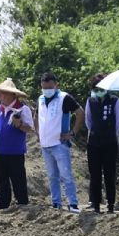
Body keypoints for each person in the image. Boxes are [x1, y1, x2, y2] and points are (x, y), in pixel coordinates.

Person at [36, 72, 81, 213]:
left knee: (65, 174)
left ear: (56, 85)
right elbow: (36, 116)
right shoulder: (41, 99)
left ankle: (72, 203)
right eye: (44, 88)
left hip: (59, 143)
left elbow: (80, 113)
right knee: (51, 176)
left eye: (49, 87)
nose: (47, 90)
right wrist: (38, 133)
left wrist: (72, 133)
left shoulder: (64, 98)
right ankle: (56, 202)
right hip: (45, 144)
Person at [0, 78, 35, 209]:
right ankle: (3, 203)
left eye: (2, 93)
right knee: (1, 179)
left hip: (15, 151)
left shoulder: (22, 109)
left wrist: (19, 124)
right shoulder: (0, 109)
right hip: (0, 150)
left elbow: (30, 129)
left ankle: (22, 203)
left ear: (11, 94)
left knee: (18, 178)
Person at [84, 76, 119, 213]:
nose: (98, 90)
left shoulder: (114, 100)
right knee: (94, 175)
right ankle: (96, 204)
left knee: (109, 174)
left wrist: (109, 133)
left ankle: (111, 204)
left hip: (110, 142)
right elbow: (88, 121)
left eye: (101, 88)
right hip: (94, 143)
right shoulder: (90, 101)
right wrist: (96, 132)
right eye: (95, 88)